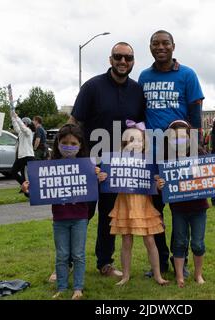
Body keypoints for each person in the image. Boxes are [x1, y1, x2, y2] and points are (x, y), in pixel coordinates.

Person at [69, 42, 145, 278]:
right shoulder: (92, 86)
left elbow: (141, 128)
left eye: (128, 58)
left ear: (133, 61)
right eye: (118, 57)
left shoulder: (137, 91)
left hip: (121, 167)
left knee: (110, 217)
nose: (123, 61)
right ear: (110, 59)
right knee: (81, 214)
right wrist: (69, 157)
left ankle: (105, 263)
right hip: (90, 163)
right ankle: (67, 263)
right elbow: (74, 122)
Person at [139, 30, 204, 277]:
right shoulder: (144, 76)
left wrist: (195, 148)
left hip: (180, 156)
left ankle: (182, 261)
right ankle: (161, 262)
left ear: (173, 46)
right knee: (154, 213)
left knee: (181, 211)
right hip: (151, 155)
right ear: (150, 47)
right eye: (155, 43)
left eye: (165, 43)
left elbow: (195, 114)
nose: (161, 47)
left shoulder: (187, 74)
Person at [22, 124, 95, 300]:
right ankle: (61, 288)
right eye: (64, 143)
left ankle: (78, 288)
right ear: (57, 144)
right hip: (60, 219)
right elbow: (39, 191)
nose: (69, 146)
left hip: (80, 218)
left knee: (78, 254)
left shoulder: (88, 167)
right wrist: (27, 190)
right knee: (62, 255)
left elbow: (95, 189)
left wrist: (98, 177)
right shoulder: (49, 167)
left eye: (73, 143)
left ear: (80, 145)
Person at [156, 120, 215, 288]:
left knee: (197, 243)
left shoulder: (200, 155)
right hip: (178, 209)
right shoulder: (167, 159)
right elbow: (163, 188)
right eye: (175, 138)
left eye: (183, 137)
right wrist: (159, 186)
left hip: (199, 208)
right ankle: (180, 276)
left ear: (190, 138)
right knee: (179, 242)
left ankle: (198, 274)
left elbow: (213, 175)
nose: (179, 141)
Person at [101, 122, 169, 286]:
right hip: (124, 205)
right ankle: (125, 276)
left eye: (139, 141)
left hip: (144, 205)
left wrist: (159, 183)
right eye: (130, 141)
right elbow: (108, 179)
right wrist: (101, 176)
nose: (135, 144)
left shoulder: (150, 162)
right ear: (123, 145)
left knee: (150, 241)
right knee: (126, 241)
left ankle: (158, 275)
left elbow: (156, 182)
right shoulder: (115, 161)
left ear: (144, 144)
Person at [10, 112, 35, 187]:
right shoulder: (21, 132)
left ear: (26, 124)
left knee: (31, 174)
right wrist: (13, 118)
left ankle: (32, 188)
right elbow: (16, 127)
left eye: (24, 123)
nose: (22, 124)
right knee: (13, 172)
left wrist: (17, 117)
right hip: (21, 156)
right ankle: (24, 185)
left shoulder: (29, 131)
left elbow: (22, 127)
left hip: (28, 156)